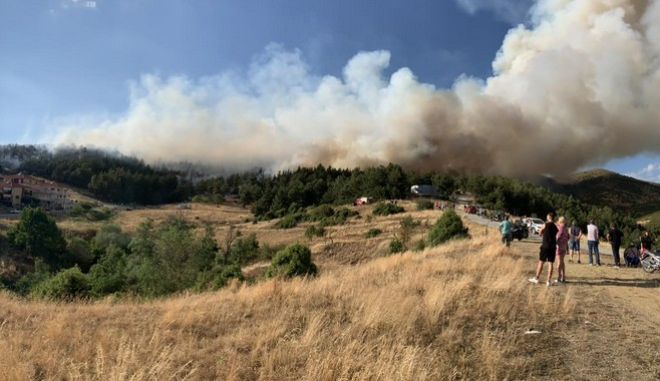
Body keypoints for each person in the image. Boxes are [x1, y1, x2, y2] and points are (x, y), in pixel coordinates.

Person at [528, 213, 558, 286]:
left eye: (547, 216)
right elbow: (555, 234)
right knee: (550, 263)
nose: (546, 217)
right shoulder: (555, 227)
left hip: (545, 245)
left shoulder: (546, 224)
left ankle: (536, 278)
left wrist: (541, 233)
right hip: (552, 246)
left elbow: (540, 232)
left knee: (541, 262)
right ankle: (548, 281)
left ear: (549, 217)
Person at [555, 216, 569, 283]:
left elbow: (558, 236)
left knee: (559, 263)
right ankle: (563, 277)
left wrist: (555, 241)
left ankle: (558, 277)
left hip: (559, 247)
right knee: (562, 262)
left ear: (560, 221)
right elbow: (568, 237)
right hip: (564, 247)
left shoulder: (561, 227)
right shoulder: (566, 228)